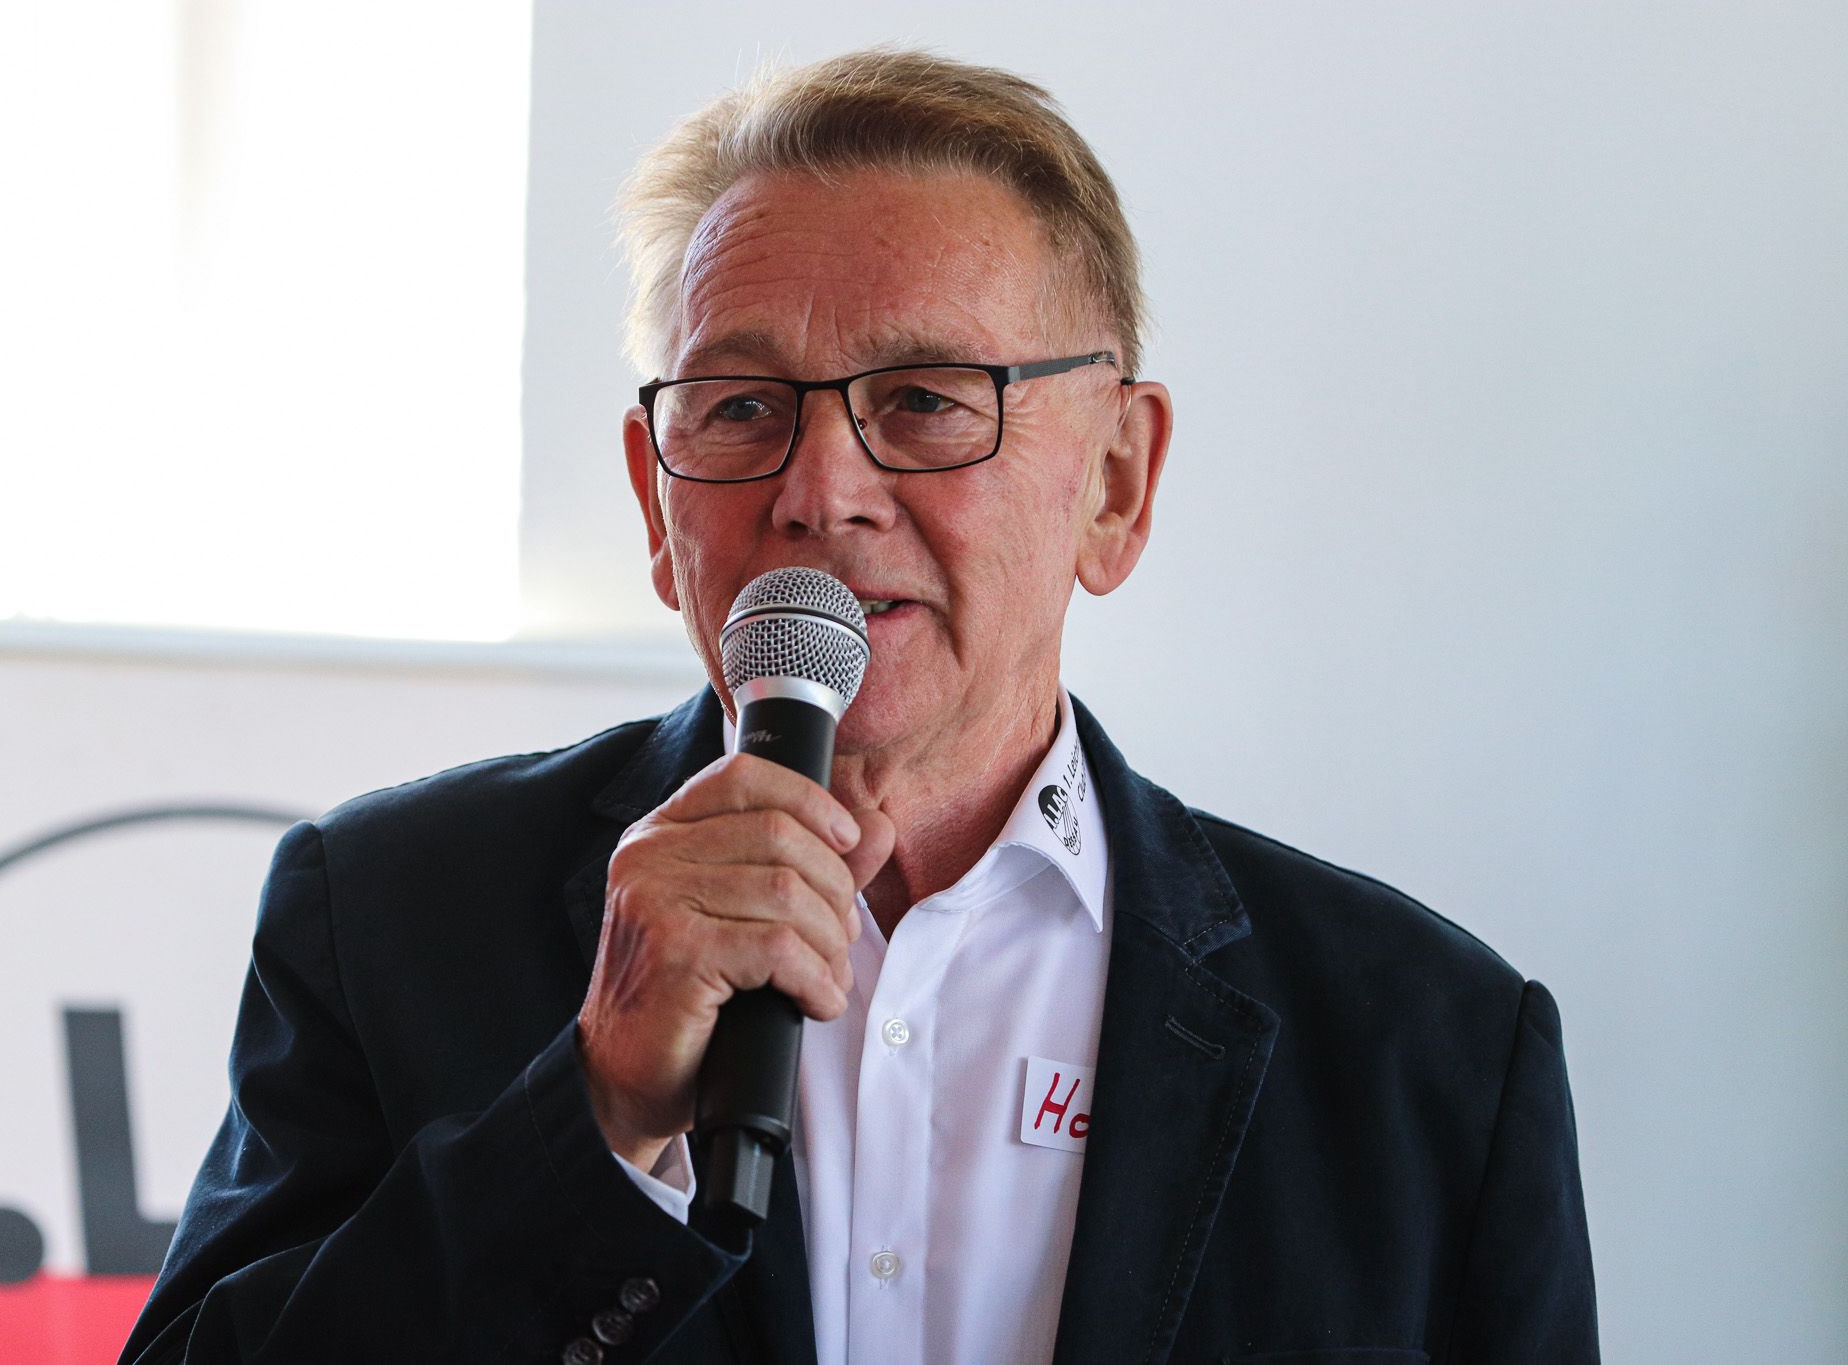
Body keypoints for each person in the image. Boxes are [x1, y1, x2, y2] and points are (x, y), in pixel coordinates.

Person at [121, 47, 1598, 1365]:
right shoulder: (388, 915)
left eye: (927, 401)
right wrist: (596, 1118)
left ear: (1115, 482)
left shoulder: (1432, 1050)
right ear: (654, 500)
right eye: (741, 409)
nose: (821, 493)